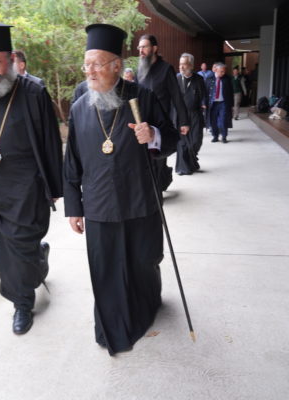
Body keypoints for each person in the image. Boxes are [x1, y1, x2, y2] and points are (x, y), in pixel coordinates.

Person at [64, 24, 179, 355]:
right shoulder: (79, 108)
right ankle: (112, 328)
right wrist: (74, 207)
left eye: (97, 64)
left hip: (139, 199)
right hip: (99, 205)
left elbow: (171, 138)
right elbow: (71, 162)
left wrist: (153, 135)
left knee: (143, 262)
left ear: (116, 65)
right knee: (106, 270)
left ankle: (146, 306)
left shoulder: (143, 98)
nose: (90, 71)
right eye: (86, 64)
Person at [0, 23, 63, 335]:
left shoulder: (34, 93)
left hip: (28, 186)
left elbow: (50, 141)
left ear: (10, 61)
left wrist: (54, 186)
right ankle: (28, 285)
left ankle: (24, 299)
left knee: (21, 245)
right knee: (4, 250)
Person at [136, 34, 189, 191]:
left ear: (154, 48)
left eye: (144, 47)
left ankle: (157, 190)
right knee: (147, 160)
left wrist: (184, 121)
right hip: (144, 122)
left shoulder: (166, 69)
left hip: (161, 123)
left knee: (158, 158)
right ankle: (161, 180)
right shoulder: (140, 70)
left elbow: (176, 96)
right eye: (139, 47)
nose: (141, 51)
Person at [175, 52, 206, 175]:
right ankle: (183, 168)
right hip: (180, 115)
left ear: (191, 66)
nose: (181, 67)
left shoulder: (199, 79)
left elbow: (203, 96)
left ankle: (192, 162)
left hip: (195, 114)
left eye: (184, 64)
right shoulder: (176, 79)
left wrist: (204, 104)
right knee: (182, 143)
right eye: (180, 64)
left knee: (196, 141)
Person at [206, 62, 234, 143]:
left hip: (223, 103)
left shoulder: (227, 79)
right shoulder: (209, 79)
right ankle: (215, 136)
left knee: (223, 120)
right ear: (216, 70)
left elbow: (230, 92)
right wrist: (203, 103)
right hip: (213, 103)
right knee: (213, 121)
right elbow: (205, 91)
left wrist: (231, 104)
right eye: (221, 71)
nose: (223, 73)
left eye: (224, 71)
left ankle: (224, 137)